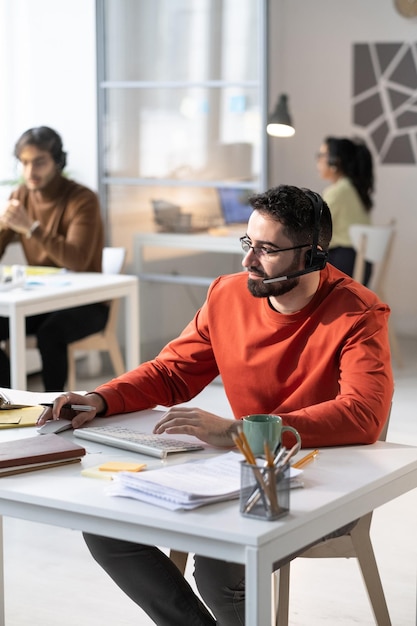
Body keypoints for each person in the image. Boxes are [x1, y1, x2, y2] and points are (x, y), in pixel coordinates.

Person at [38, 184, 393, 626]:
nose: (248, 261)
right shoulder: (227, 295)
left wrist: (240, 432)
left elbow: (362, 414)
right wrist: (101, 397)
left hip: (325, 483)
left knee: (219, 570)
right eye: (249, 243)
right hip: (237, 471)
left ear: (315, 255)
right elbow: (171, 372)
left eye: (268, 250)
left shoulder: (358, 314)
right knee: (106, 525)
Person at [0, 126, 108, 391]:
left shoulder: (82, 199)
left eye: (39, 162)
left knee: (51, 334)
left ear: (57, 161)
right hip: (40, 300)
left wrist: (32, 228)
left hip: (88, 302)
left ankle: (56, 411)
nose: (30, 172)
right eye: (24, 163)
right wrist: (4, 226)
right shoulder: (21, 196)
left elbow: (77, 260)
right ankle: (11, 399)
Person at [316, 136, 374, 285]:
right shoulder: (352, 188)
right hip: (360, 262)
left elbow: (315, 227)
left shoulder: (339, 191)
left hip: (345, 264)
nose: (318, 160)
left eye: (322, 155)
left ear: (335, 161)